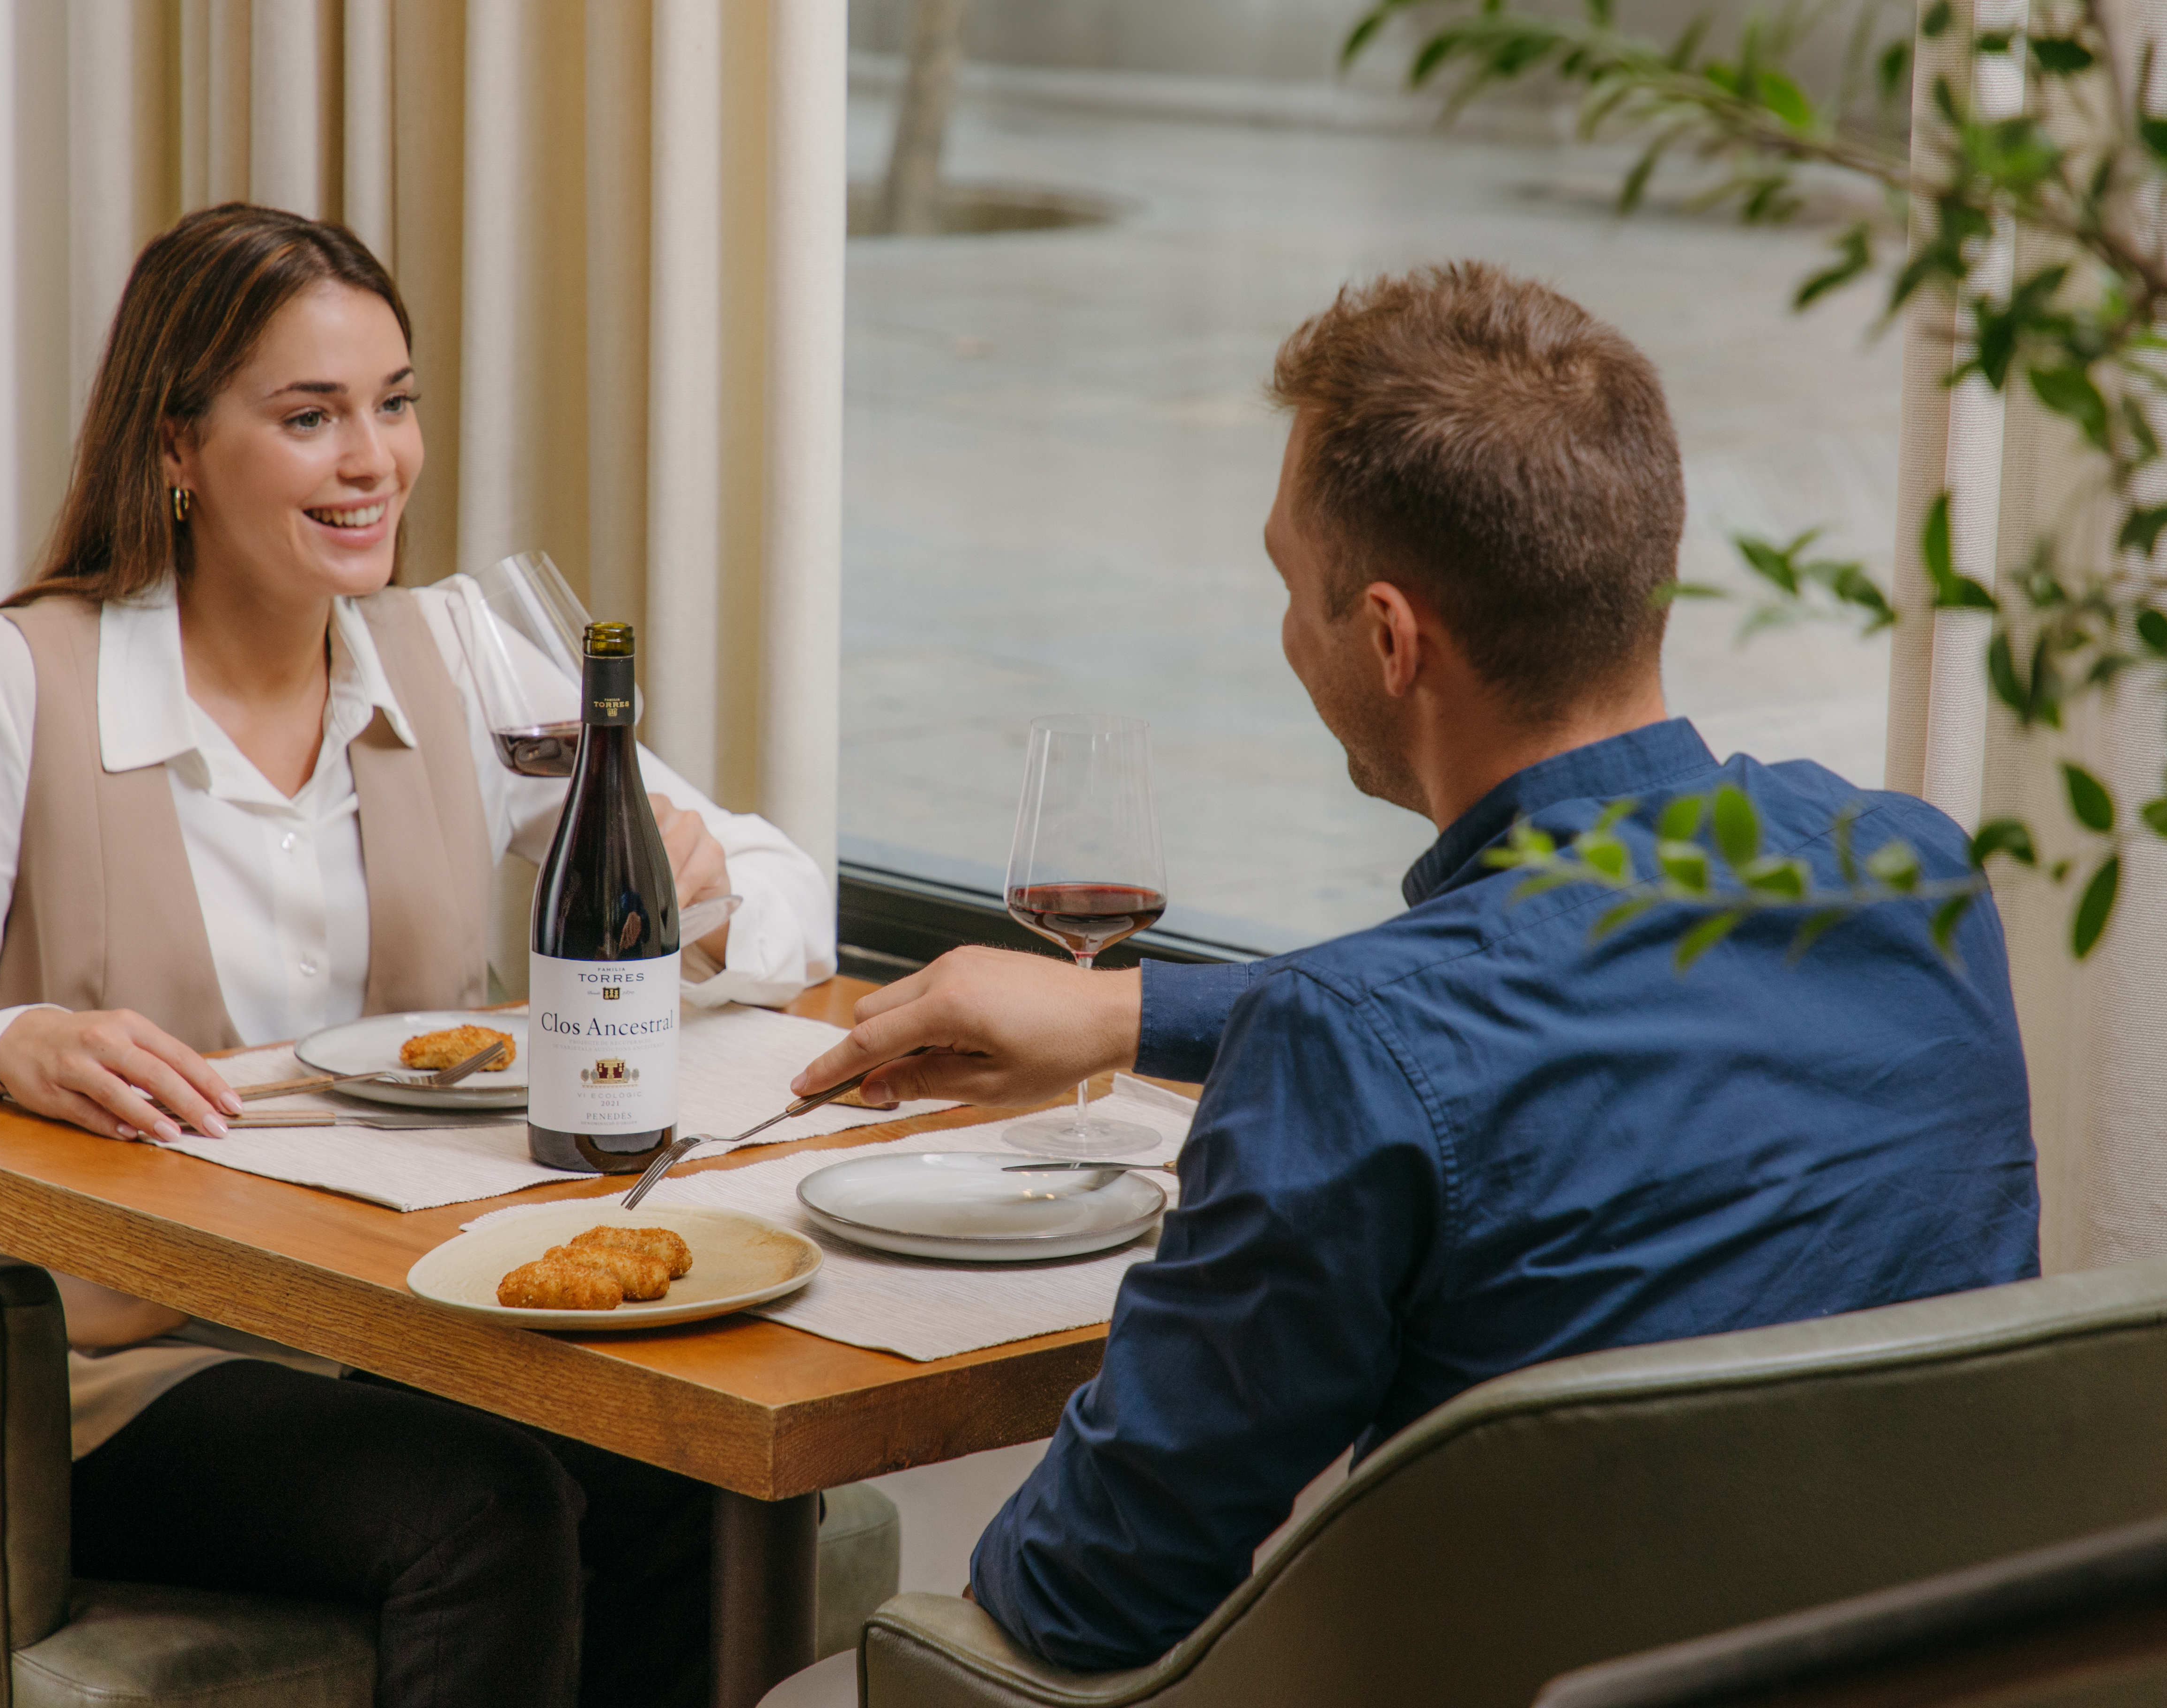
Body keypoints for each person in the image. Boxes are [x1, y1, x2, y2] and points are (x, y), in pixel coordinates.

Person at [791, 263, 2039, 1671]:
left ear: (1389, 638)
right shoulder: (1913, 868)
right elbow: (1538, 1001)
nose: (1282, 632)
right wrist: (1131, 1011)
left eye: (1288, 584)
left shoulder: (1352, 1047)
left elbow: (1084, 1603)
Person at [0, 203, 832, 1707]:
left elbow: (783, 887)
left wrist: (711, 891)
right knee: (486, 1513)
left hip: (418, 1318)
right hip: (125, 1372)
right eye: (310, 417)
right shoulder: (15, 686)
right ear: (176, 447)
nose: (375, 462)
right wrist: (0, 1043)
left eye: (394, 405)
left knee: (702, 1472)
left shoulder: (469, 657)